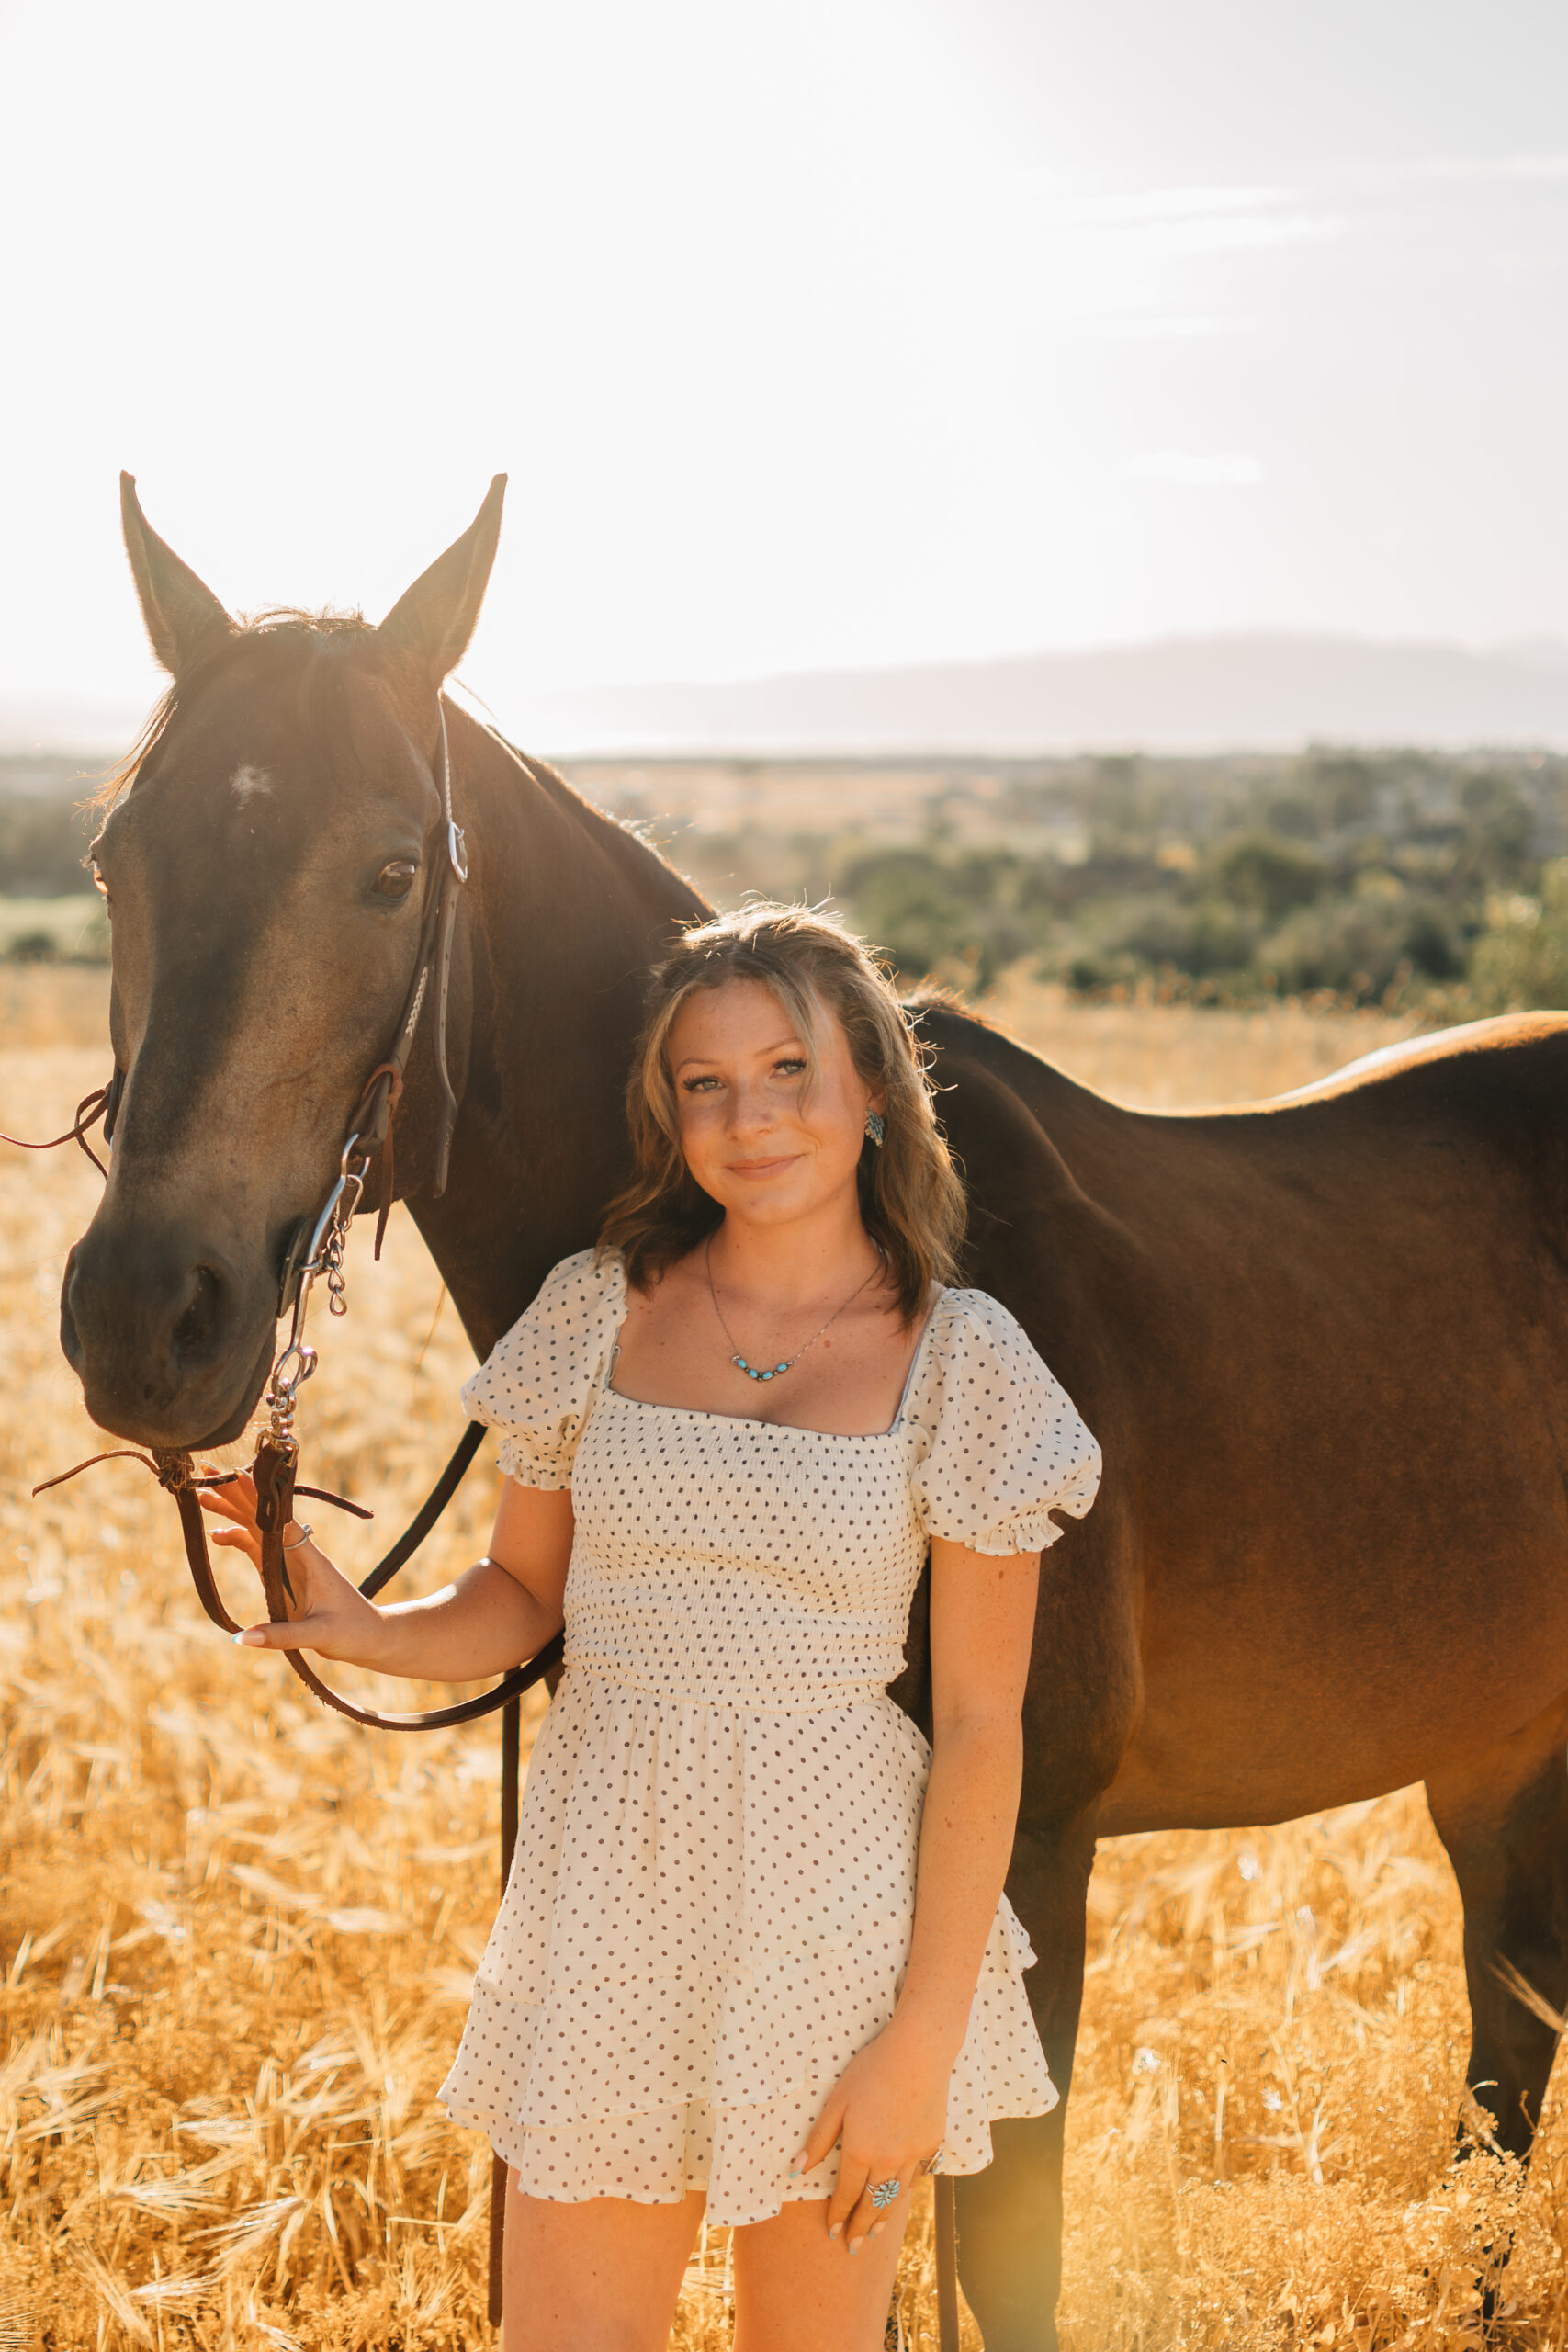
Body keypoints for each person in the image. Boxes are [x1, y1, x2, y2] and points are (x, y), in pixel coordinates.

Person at [207, 904, 1100, 2352]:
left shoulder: (967, 1362)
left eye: (790, 1071)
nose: (750, 1118)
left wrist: (921, 2043)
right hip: (609, 1895)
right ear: (668, 1112)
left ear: (872, 1089)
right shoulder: (595, 1314)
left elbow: (987, 1728)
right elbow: (519, 1600)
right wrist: (359, 1623)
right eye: (706, 1083)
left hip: (841, 1918)